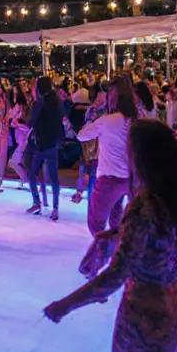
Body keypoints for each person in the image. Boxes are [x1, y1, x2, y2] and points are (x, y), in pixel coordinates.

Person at [44, 121, 177, 352]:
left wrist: (65, 305)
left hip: (148, 326)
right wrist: (121, 235)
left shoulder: (144, 206)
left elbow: (115, 276)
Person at [77, 75, 138, 240]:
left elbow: (82, 135)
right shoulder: (134, 120)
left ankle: (104, 256)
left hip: (109, 180)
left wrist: (94, 112)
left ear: (114, 96)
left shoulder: (106, 121)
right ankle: (117, 254)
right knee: (116, 222)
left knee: (95, 224)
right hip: (129, 180)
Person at [27, 76, 66, 220]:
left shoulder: (40, 103)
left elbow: (32, 121)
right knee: (53, 177)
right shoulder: (57, 102)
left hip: (40, 144)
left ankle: (37, 202)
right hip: (52, 143)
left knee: (32, 174)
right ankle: (55, 208)